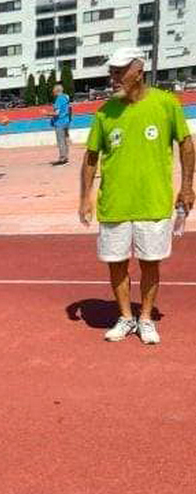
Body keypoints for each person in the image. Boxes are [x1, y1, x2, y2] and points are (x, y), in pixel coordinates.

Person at [79, 47, 194, 345]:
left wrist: (187, 186)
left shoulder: (165, 104)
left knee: (150, 262)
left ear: (138, 71)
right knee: (115, 262)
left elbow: (186, 144)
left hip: (153, 201)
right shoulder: (104, 113)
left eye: (120, 72)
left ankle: (145, 318)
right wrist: (85, 197)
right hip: (115, 203)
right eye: (111, 73)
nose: (113, 78)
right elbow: (91, 158)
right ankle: (125, 316)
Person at [51, 83, 72, 165]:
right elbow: (70, 109)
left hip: (59, 122)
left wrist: (46, 113)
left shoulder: (58, 99)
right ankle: (66, 157)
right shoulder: (66, 97)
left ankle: (63, 158)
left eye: (53, 90)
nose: (52, 92)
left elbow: (57, 113)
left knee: (61, 141)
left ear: (56, 91)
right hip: (66, 121)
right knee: (65, 140)